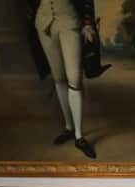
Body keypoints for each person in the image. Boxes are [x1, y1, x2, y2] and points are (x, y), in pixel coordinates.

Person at [27, 0, 98, 159]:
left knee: (74, 78)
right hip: (43, 23)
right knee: (58, 77)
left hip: (69, 20)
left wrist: (87, 23)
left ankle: (79, 137)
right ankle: (69, 127)